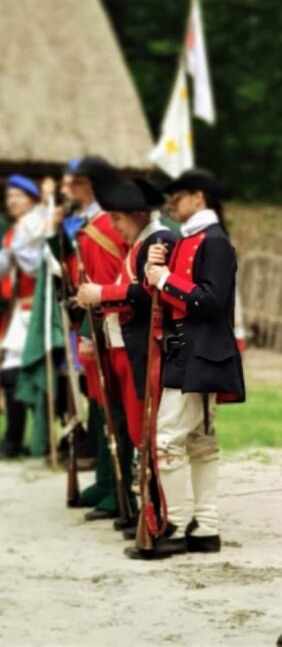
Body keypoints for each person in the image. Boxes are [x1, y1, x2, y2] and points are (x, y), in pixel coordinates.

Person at [136, 168, 244, 559]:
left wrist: (164, 279)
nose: (171, 205)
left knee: (167, 439)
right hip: (189, 350)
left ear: (198, 197)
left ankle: (177, 524)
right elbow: (172, 295)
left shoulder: (213, 242)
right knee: (199, 442)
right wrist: (157, 275)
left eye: (177, 198)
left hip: (200, 350)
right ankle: (205, 525)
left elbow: (212, 301)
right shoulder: (189, 240)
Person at [75, 177, 177, 542]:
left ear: (137, 214)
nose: (114, 225)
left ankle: (155, 515)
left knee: (145, 433)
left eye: (119, 218)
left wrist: (102, 292)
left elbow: (147, 293)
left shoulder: (158, 240)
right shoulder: (140, 243)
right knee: (136, 433)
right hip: (125, 345)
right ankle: (142, 509)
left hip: (141, 348)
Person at [58, 157, 132, 523]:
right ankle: (105, 479)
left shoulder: (104, 226)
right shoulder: (92, 224)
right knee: (99, 405)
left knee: (114, 406)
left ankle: (118, 482)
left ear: (90, 185)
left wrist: (88, 333)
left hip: (106, 327)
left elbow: (105, 283)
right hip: (93, 325)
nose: (68, 189)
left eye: (76, 183)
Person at [0, 175, 47, 457]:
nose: (12, 201)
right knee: (9, 373)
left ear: (32, 199)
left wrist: (17, 243)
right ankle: (13, 437)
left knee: (51, 375)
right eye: (9, 196)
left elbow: (32, 266)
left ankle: (52, 436)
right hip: (21, 309)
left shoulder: (42, 226)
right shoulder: (13, 232)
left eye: (18, 195)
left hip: (42, 309)